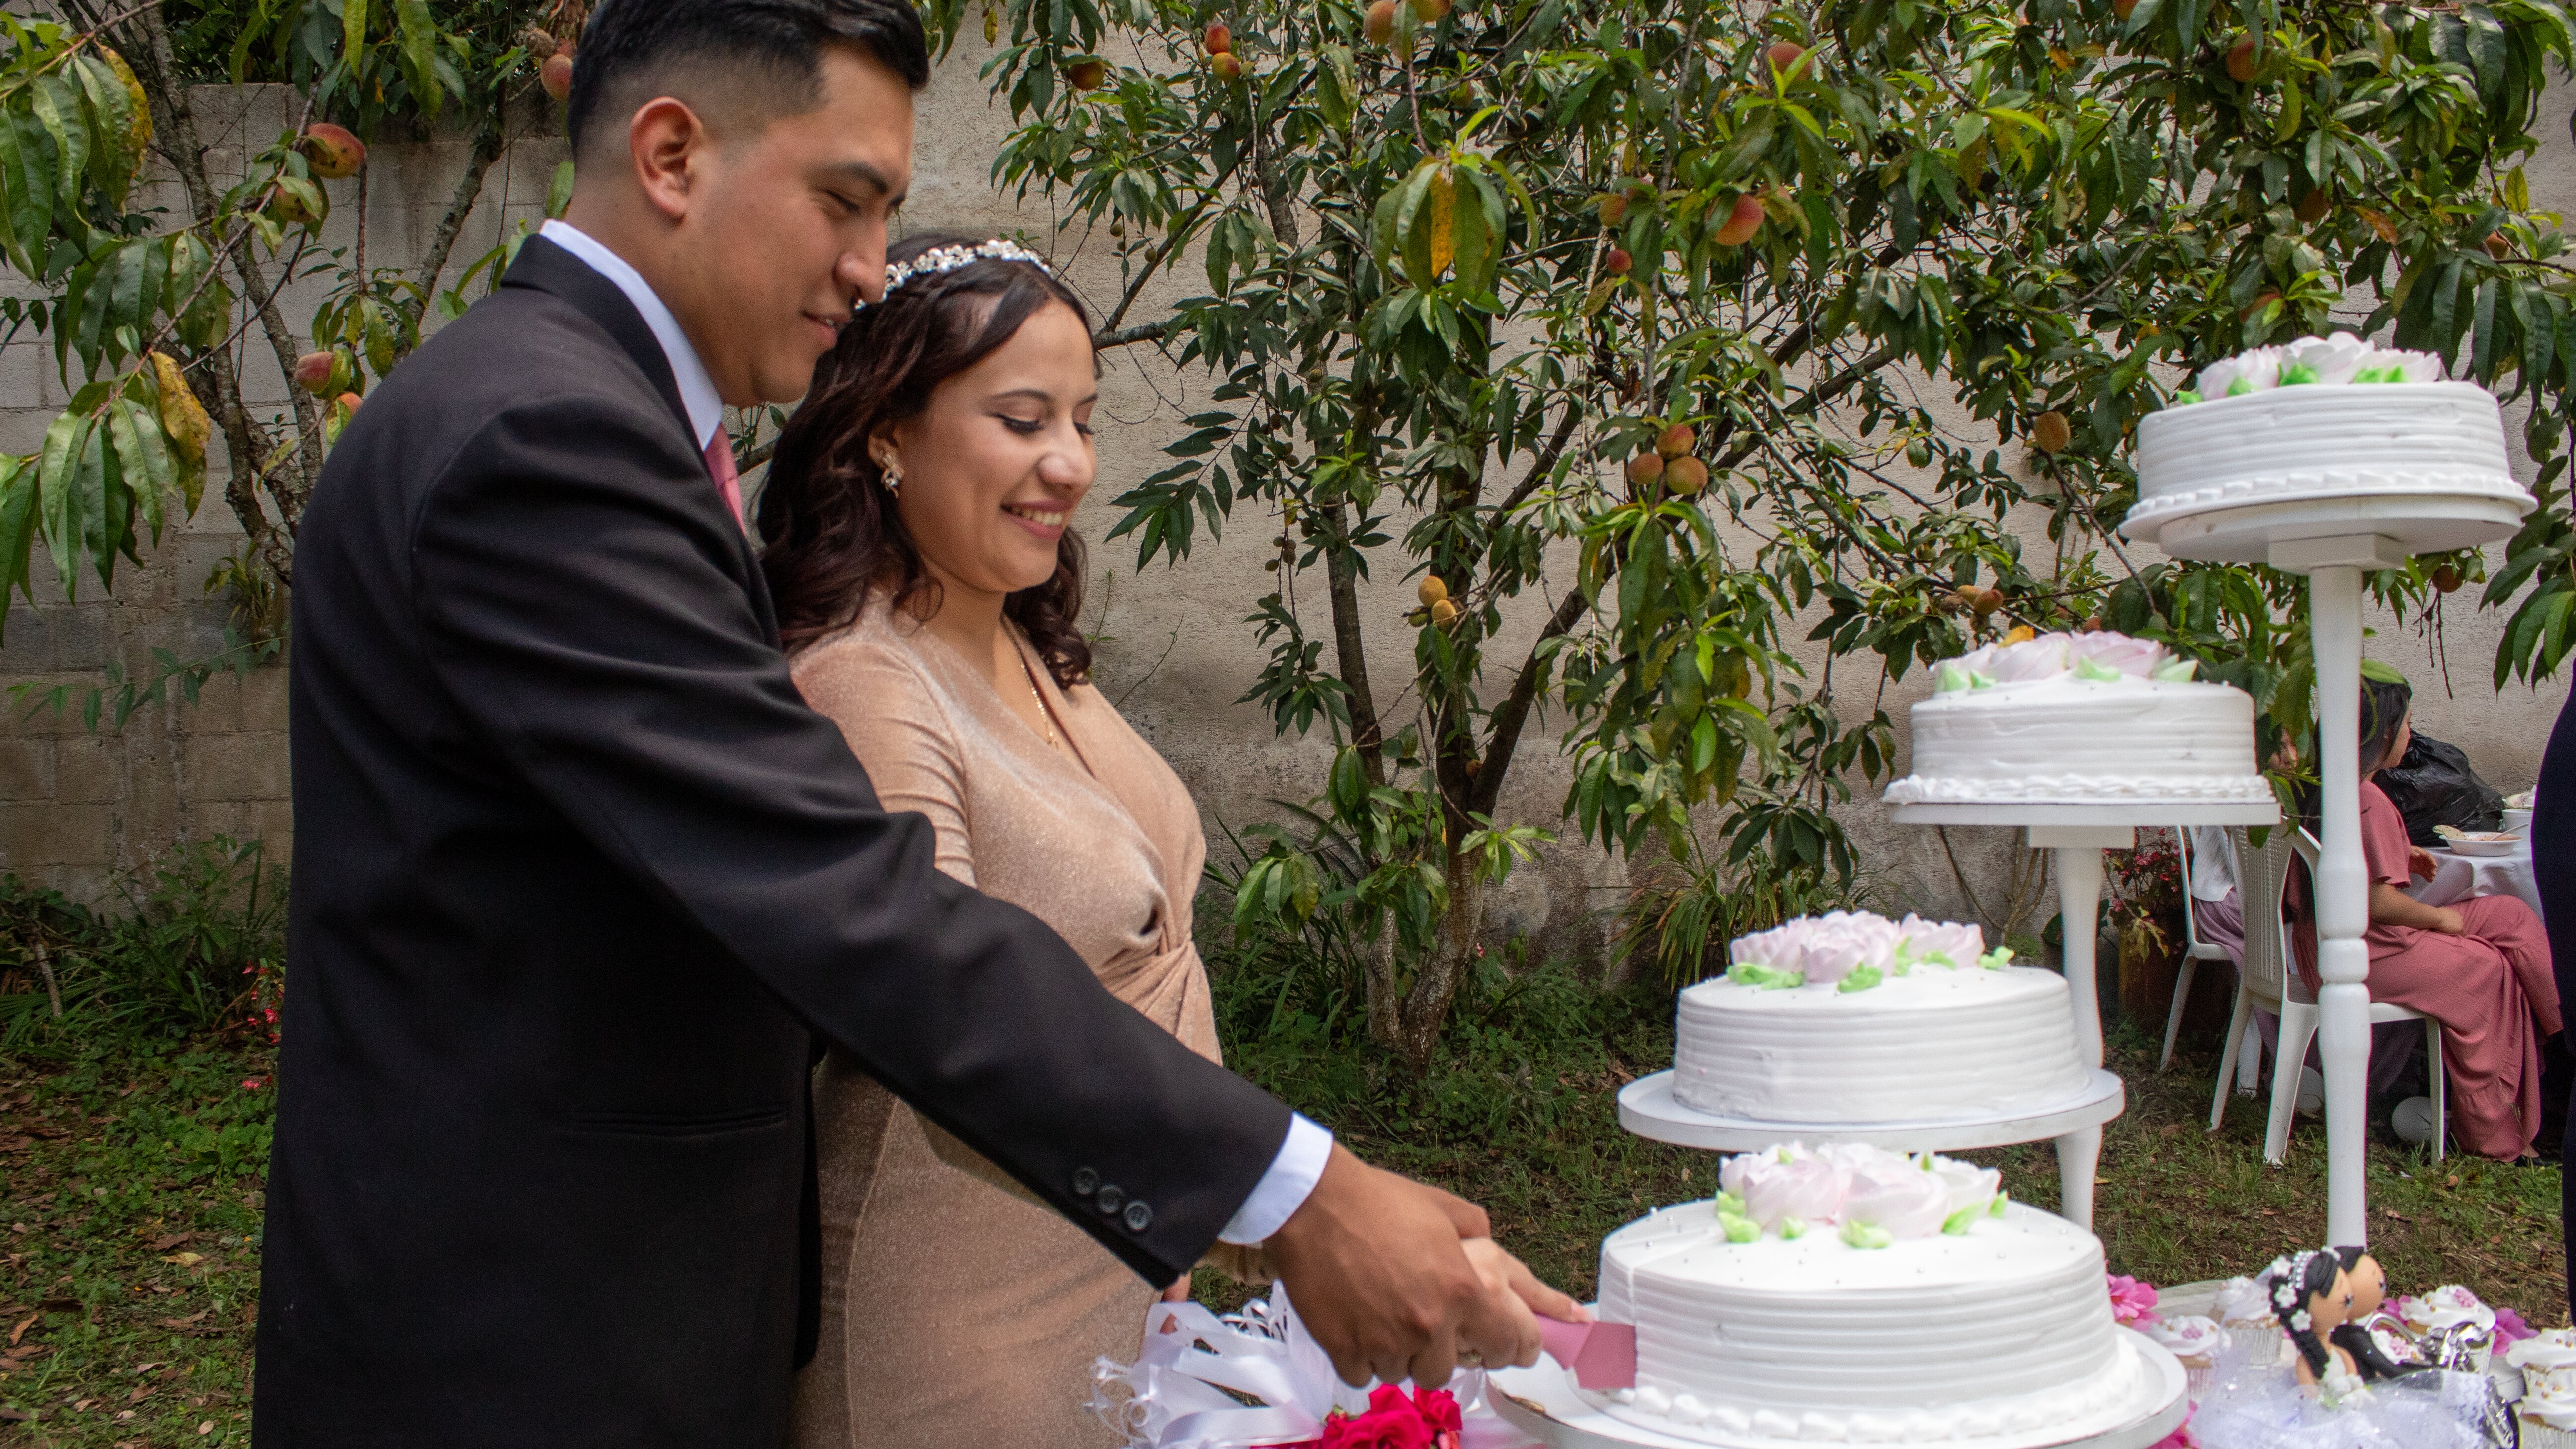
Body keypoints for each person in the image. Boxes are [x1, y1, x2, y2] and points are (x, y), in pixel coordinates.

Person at [258, 4, 1561, 1444]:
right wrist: (1293, 1190)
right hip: (520, 1348)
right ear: (674, 153)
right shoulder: (541, 440)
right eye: (845, 201)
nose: (868, 268)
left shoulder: (580, 413)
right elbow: (846, 901)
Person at [754, 234, 1577, 1445]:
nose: (1070, 463)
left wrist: (1175, 1217)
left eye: (1082, 420)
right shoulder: (867, 682)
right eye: (1022, 419)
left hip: (1118, 1262)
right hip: (956, 1328)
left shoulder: (1020, 635)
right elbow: (940, 1023)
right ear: (885, 431)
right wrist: (1271, 1207)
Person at [2292, 676, 2559, 1160]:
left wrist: (2402, 852)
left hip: (2326, 945)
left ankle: (2559, 1027)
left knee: (2509, 916)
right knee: (2490, 969)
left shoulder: (2328, 786)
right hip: (2364, 951)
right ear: (2380, 732)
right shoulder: (2366, 798)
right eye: (2406, 725)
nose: (2411, 737)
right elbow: (2378, 903)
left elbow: (2347, 863)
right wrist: (2438, 920)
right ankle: (2495, 1136)